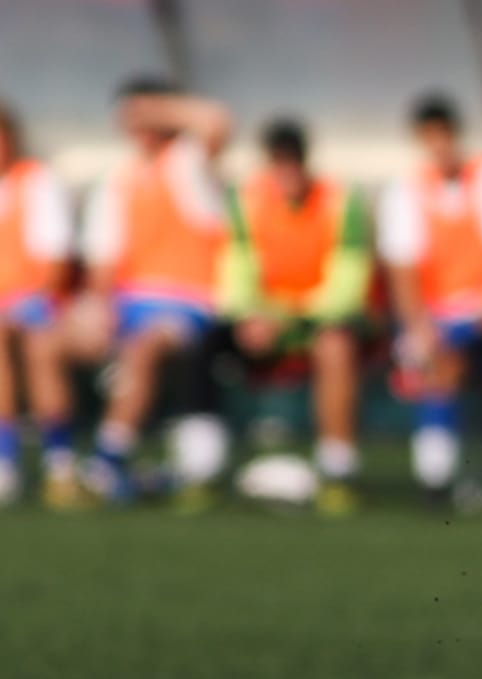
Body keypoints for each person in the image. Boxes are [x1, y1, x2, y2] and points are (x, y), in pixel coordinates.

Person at [72, 79, 232, 503]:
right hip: (129, 304)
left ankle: (107, 459)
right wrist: (99, 311)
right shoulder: (117, 179)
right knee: (43, 343)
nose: (137, 123)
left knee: (141, 350)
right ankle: (49, 459)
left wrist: (159, 109)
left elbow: (216, 121)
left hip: (188, 303)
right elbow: (102, 262)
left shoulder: (186, 163)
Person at [376, 94, 482, 498]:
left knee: (443, 357)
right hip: (438, 322)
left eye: (444, 135)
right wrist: (418, 325)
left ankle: (438, 476)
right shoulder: (406, 191)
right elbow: (403, 270)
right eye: (430, 137)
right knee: (434, 353)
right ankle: (439, 475)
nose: (439, 145)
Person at [210, 118, 372, 512]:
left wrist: (292, 317)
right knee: (200, 344)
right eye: (278, 162)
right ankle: (202, 466)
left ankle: (337, 469)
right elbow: (235, 272)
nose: (287, 172)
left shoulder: (340, 200)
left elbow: (348, 284)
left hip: (314, 323)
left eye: (293, 161)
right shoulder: (246, 200)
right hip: (266, 323)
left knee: (335, 347)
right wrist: (250, 316)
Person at [0, 102, 79, 507]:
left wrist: (26, 304)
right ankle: (7, 459)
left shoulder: (38, 181)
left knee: (38, 348)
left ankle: (58, 461)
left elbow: (55, 262)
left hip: (38, 301)